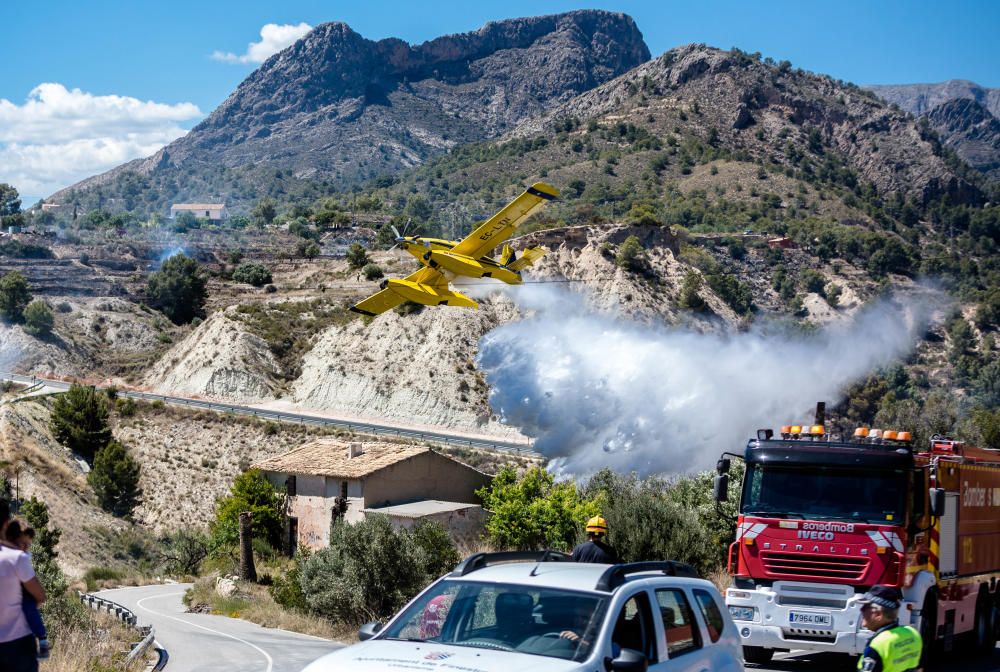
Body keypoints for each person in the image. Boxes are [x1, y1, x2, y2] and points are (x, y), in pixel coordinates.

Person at [0, 499, 46, 672]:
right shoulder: (17, 558)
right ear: (6, 525)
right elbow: (40, 595)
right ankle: (43, 639)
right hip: (17, 645)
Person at [6, 520, 49, 660]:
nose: (25, 547)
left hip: (24, 591)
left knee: (29, 608)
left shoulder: (23, 557)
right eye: (22, 543)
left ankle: (42, 641)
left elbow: (33, 586)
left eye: (28, 545)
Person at [857, 585, 922, 672]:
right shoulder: (913, 634)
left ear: (878, 615)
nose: (861, 610)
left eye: (865, 607)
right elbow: (919, 669)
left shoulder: (878, 645)